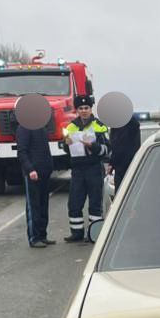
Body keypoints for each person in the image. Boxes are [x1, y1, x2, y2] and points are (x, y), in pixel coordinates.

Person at [60, 94, 108, 242]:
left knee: (95, 204)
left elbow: (106, 150)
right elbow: (66, 151)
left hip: (94, 168)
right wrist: (65, 144)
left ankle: (95, 234)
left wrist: (92, 146)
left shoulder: (99, 126)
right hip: (78, 170)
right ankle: (76, 233)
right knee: (74, 203)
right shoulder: (70, 126)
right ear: (77, 110)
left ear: (90, 108)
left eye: (86, 108)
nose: (84, 111)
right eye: (80, 108)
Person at [16, 113, 55, 248]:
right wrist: (30, 169)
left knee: (44, 205)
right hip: (33, 173)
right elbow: (22, 151)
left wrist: (50, 167)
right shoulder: (24, 128)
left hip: (44, 172)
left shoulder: (41, 127)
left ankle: (43, 235)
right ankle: (34, 237)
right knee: (34, 207)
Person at [108, 113, 141, 191]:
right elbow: (115, 147)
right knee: (119, 194)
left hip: (132, 165)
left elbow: (135, 124)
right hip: (119, 168)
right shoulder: (115, 126)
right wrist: (111, 163)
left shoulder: (132, 123)